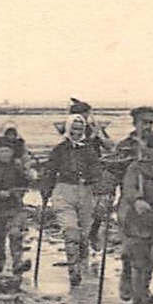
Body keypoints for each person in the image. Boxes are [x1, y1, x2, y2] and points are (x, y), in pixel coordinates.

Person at [38, 103, 110, 287]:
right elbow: (49, 171)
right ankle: (73, 271)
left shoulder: (89, 150)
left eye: (80, 129)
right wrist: (46, 191)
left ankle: (82, 262)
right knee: (70, 231)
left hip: (85, 193)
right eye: (74, 129)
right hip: (64, 191)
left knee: (84, 234)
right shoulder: (59, 150)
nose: (77, 132)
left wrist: (101, 191)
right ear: (68, 129)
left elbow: (96, 171)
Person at [119, 128, 153, 304]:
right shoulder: (136, 167)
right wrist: (136, 200)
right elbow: (128, 188)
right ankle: (138, 300)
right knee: (139, 261)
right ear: (148, 148)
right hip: (138, 220)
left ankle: (144, 294)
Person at [110, 106, 153, 301]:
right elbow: (113, 172)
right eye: (144, 122)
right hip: (128, 203)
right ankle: (127, 281)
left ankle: (144, 288)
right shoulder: (125, 146)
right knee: (131, 247)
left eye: (151, 122)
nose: (148, 126)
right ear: (135, 123)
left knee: (152, 248)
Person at [0, 125, 35, 274]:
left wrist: (27, 179)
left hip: (14, 207)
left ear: (12, 153)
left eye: (8, 151)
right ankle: (1, 260)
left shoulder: (16, 167)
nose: (5, 154)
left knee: (15, 234)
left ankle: (17, 262)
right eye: (2, 151)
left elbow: (25, 183)